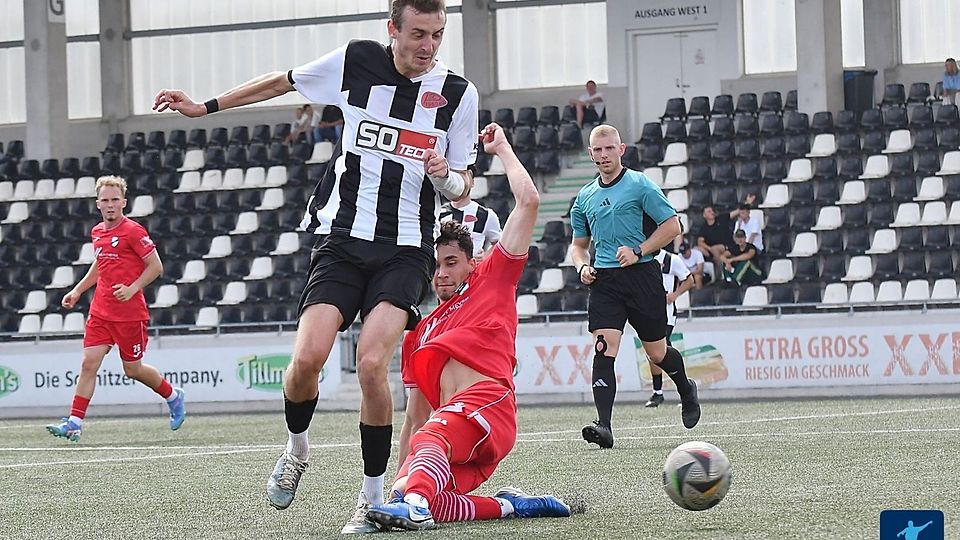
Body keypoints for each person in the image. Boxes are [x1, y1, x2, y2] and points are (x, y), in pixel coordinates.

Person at [153, 0, 479, 532]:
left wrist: (446, 178)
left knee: (373, 363)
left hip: (406, 247)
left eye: (437, 35)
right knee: (306, 361)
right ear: (392, 29)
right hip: (342, 240)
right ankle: (297, 449)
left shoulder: (458, 95)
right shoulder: (355, 61)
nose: (428, 46)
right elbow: (280, 83)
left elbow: (464, 186)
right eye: (418, 34)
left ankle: (371, 500)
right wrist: (205, 106)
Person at [364, 123, 570, 531]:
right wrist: (399, 486)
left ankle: (416, 508)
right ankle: (514, 506)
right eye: (435, 265)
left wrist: (503, 149)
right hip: (454, 435)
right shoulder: (418, 332)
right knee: (429, 496)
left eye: (451, 263)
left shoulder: (490, 279)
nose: (441, 274)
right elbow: (415, 419)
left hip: (489, 406)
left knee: (425, 465)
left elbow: (528, 202)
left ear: (472, 262)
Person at [569, 124, 701, 450]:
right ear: (590, 154)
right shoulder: (584, 197)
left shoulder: (640, 185)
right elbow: (578, 245)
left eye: (609, 148)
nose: (603, 155)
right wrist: (581, 266)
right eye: (597, 150)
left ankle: (685, 387)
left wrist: (639, 250)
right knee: (603, 348)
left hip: (642, 275)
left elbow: (673, 226)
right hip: (605, 281)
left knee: (656, 353)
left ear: (621, 149)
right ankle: (604, 426)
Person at [46, 176, 186, 442]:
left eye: (114, 200)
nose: (110, 205)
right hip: (100, 311)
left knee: (132, 370)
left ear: (124, 202)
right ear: (98, 204)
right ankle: (74, 422)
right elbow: (100, 265)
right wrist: (78, 290)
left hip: (129, 315)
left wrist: (132, 288)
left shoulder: (134, 231)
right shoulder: (98, 232)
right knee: (89, 364)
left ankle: (173, 395)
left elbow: (156, 267)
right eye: (105, 200)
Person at [644, 248, 694, 408]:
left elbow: (689, 279)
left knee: (662, 350)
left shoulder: (671, 259)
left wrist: (675, 294)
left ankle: (684, 390)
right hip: (647, 312)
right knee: (653, 354)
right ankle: (658, 392)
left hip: (666, 313)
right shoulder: (641, 256)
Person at [439, 195, 502, 261]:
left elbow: (499, 243)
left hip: (474, 269)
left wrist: (485, 257)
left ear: (472, 184)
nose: (460, 186)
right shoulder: (439, 213)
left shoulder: (486, 214)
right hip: (445, 269)